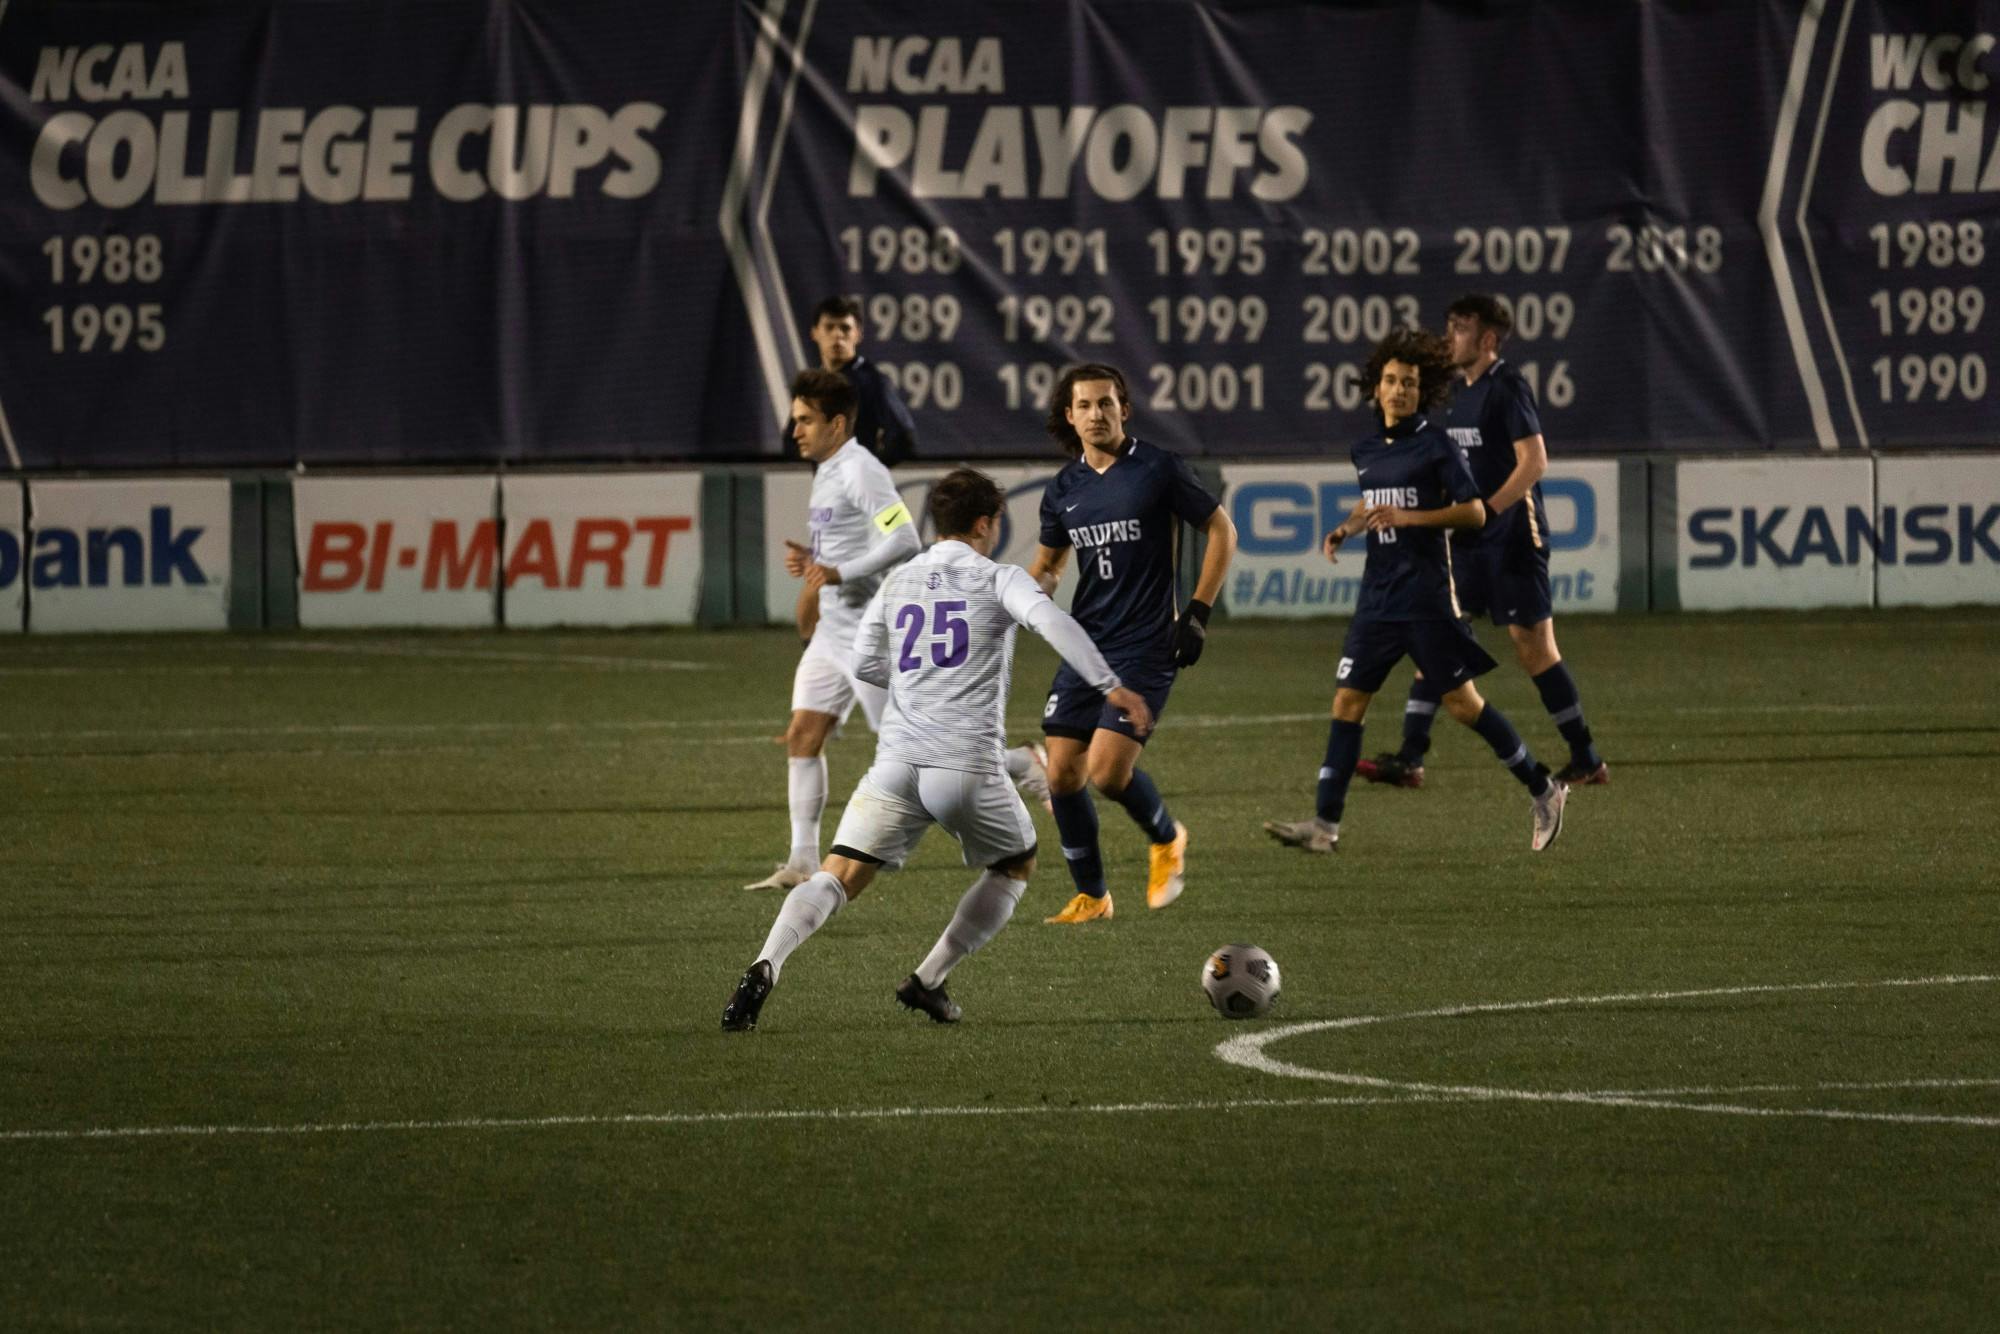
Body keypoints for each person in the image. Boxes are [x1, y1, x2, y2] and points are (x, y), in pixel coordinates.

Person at [722, 468, 1154, 1031]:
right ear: (984, 524)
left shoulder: (897, 581)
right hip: (966, 767)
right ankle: (928, 979)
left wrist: (913, 680)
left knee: (839, 873)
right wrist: (1110, 685)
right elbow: (1051, 621)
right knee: (1015, 863)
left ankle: (765, 963)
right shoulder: (997, 578)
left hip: (896, 765)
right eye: (996, 520)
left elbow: (864, 664)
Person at [1263, 328, 1568, 855]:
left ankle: (1544, 789)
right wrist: (1348, 527)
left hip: (1427, 599)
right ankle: (1325, 826)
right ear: (1375, 388)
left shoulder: (1436, 443)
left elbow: (1474, 512)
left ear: (1420, 391)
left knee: (1464, 705)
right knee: (1347, 701)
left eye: (1409, 382)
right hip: (1377, 600)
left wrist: (1411, 517)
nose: (1399, 390)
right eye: (1390, 380)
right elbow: (1372, 502)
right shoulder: (1365, 449)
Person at [1356, 293, 1607, 789]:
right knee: (1436, 631)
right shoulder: (1459, 392)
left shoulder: (1506, 386)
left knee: (1533, 648)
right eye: (1449, 326)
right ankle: (1410, 756)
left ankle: (1586, 757)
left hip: (1513, 538)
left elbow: (1534, 462)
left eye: (1461, 328)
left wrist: (1488, 511)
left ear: (1488, 339)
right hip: (1470, 543)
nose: (1451, 337)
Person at [1027, 363, 1237, 924]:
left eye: (1106, 403)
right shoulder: (1064, 489)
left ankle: (1168, 837)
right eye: (1085, 406)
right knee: (1061, 773)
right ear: (1068, 417)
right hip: (1085, 645)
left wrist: (1197, 611)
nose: (1096, 414)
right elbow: (1049, 565)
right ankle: (1093, 896)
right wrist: (1022, 601)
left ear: (1124, 408)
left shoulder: (1158, 469)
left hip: (1146, 644)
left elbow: (1222, 530)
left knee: (1108, 772)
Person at [743, 368, 922, 892]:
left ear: (837, 423)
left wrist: (842, 572)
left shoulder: (861, 470)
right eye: (794, 419)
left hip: (870, 633)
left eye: (805, 420)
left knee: (914, 747)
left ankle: (1023, 766)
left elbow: (905, 538)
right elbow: (849, 542)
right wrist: (817, 559)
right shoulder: (826, 469)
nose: (794, 430)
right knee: (803, 734)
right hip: (832, 633)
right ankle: (801, 861)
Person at [781, 295, 919, 467]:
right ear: (814, 333)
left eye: (845, 328)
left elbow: (903, 437)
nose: (837, 335)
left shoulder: (873, 382)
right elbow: (791, 443)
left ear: (858, 334)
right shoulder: (810, 385)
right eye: (829, 327)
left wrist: (870, 469)